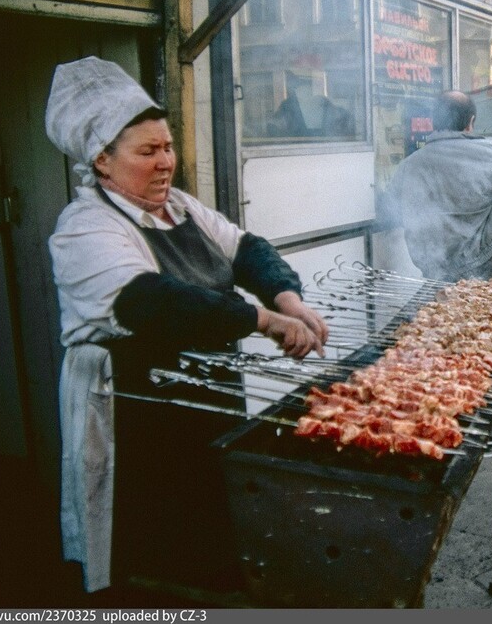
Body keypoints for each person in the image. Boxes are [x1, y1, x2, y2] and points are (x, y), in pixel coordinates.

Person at [46, 57, 328, 594]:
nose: (165, 162)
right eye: (147, 151)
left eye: (168, 147)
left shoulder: (179, 207)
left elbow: (247, 248)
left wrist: (288, 298)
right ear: (102, 161)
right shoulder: (86, 227)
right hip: (136, 404)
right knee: (152, 536)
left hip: (204, 391)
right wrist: (263, 320)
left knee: (211, 518)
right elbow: (152, 303)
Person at [393, 91, 492, 282]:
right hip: (491, 265)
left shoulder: (410, 165)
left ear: (433, 122)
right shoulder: (491, 153)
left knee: (444, 311)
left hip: (438, 269)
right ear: (471, 121)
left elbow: (396, 210)